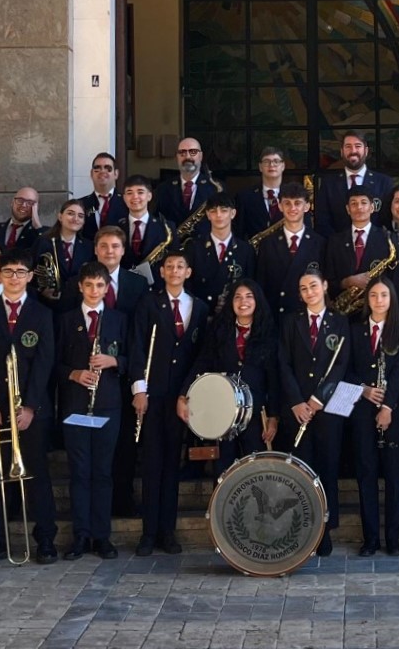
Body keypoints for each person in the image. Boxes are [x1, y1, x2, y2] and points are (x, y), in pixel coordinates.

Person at [0, 248, 58, 563]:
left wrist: (30, 407)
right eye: (8, 271)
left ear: (31, 276)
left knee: (37, 476)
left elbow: (45, 364)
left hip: (31, 411)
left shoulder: (42, 314)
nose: (14, 277)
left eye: (21, 272)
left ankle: (45, 539)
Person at [130, 251, 210, 555]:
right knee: (152, 464)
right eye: (169, 266)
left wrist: (187, 392)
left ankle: (168, 531)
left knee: (172, 466)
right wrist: (139, 389)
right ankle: (148, 533)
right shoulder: (149, 303)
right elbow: (137, 345)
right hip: (153, 395)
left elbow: (201, 354)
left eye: (180, 266)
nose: (175, 270)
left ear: (188, 272)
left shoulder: (199, 308)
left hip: (182, 397)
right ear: (161, 272)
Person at [56, 261, 127, 562]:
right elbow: (52, 364)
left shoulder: (119, 319)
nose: (95, 290)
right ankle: (80, 536)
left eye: (100, 285)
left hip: (108, 405)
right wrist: (73, 374)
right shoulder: (65, 320)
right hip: (75, 406)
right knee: (80, 472)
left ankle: (102, 536)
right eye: (89, 285)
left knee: (102, 473)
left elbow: (132, 358)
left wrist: (114, 362)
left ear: (107, 287)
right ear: (80, 287)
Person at [279, 268, 351, 557]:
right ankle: (303, 529)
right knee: (300, 472)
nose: (309, 292)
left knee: (327, 470)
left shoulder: (340, 322)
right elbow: (282, 363)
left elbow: (341, 364)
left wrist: (318, 399)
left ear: (324, 286)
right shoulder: (290, 323)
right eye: (303, 288)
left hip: (327, 409)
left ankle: (325, 530)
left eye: (313, 286)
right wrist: (297, 401)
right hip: (297, 411)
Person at [348, 278, 399, 556]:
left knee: (394, 477)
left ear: (392, 299)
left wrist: (388, 407)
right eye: (373, 295)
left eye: (385, 295)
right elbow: (344, 368)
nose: (379, 300)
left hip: (393, 412)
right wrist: (363, 390)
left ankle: (393, 539)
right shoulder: (354, 331)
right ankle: (370, 538)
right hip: (362, 411)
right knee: (366, 473)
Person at [93, 225, 148, 519]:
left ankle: (123, 500)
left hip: (125, 372)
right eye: (104, 246)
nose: (110, 251)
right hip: (91, 379)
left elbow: (140, 334)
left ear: (123, 250)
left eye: (115, 246)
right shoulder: (83, 281)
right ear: (96, 250)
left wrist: (128, 368)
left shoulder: (137, 284)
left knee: (125, 444)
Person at [196, 279, 279, 466]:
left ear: (257, 301)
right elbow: (202, 362)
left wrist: (273, 417)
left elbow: (273, 377)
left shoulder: (269, 333)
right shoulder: (218, 330)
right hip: (223, 412)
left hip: (257, 414)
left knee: (256, 468)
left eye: (249, 297)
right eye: (238, 297)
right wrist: (184, 394)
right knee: (224, 470)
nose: (244, 302)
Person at [322, 185, 399, 319]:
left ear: (372, 207)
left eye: (364, 203)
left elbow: (395, 280)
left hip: (377, 313)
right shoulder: (335, 241)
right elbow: (328, 281)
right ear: (348, 209)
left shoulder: (388, 238)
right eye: (354, 204)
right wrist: (347, 281)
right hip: (343, 316)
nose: (359, 208)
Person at [253, 181, 324, 320]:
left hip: (308, 318)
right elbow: (261, 285)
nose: (292, 208)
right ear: (280, 206)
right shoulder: (267, 244)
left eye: (297, 203)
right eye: (287, 203)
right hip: (276, 318)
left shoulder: (320, 243)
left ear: (307, 206)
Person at [314, 130, 396, 236]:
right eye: (348, 146)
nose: (353, 151)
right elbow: (322, 221)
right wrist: (338, 245)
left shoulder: (384, 182)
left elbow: (389, 221)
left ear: (366, 151)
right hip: (338, 249)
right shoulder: (328, 184)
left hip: (376, 248)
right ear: (342, 151)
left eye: (358, 146)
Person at [184, 192, 255, 309]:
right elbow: (187, 285)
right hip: (202, 314)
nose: (218, 215)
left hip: (233, 315)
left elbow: (251, 286)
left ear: (233, 213)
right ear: (207, 214)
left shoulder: (246, 250)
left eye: (223, 210)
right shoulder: (194, 247)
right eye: (213, 211)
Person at [35, 198, 94, 315]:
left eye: (80, 216)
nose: (75, 219)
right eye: (70, 213)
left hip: (76, 307)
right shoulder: (43, 242)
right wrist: (41, 290)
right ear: (60, 217)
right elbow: (32, 271)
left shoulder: (89, 247)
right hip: (48, 306)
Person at [154, 138, 219, 239]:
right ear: (177, 157)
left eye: (193, 152)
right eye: (182, 152)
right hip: (173, 250)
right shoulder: (163, 189)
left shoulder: (215, 188)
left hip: (205, 249)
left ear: (201, 156)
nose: (187, 156)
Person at [120, 174, 175, 274]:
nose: (135, 197)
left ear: (149, 196)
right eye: (129, 193)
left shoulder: (166, 228)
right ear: (124, 198)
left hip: (157, 287)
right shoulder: (116, 227)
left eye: (140, 192)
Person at [235, 146, 290, 242]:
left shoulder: (295, 195)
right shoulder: (245, 197)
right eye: (266, 161)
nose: (271, 165)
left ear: (283, 166)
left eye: (276, 161)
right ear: (260, 167)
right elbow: (239, 234)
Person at [78, 152, 127, 236]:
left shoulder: (127, 202)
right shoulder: (80, 204)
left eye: (108, 168)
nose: (102, 171)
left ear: (116, 174)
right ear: (91, 174)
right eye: (97, 168)